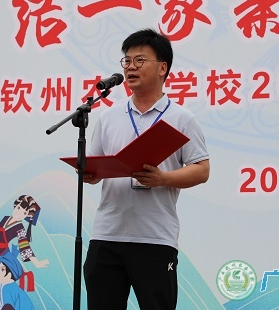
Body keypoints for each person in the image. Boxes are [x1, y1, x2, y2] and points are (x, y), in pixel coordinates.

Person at [83, 28, 210, 309]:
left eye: (140, 60)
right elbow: (95, 165)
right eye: (127, 61)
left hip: (155, 237)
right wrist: (89, 174)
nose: (131, 67)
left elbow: (202, 170)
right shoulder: (108, 117)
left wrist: (163, 178)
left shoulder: (182, 118)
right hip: (106, 235)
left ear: (162, 68)